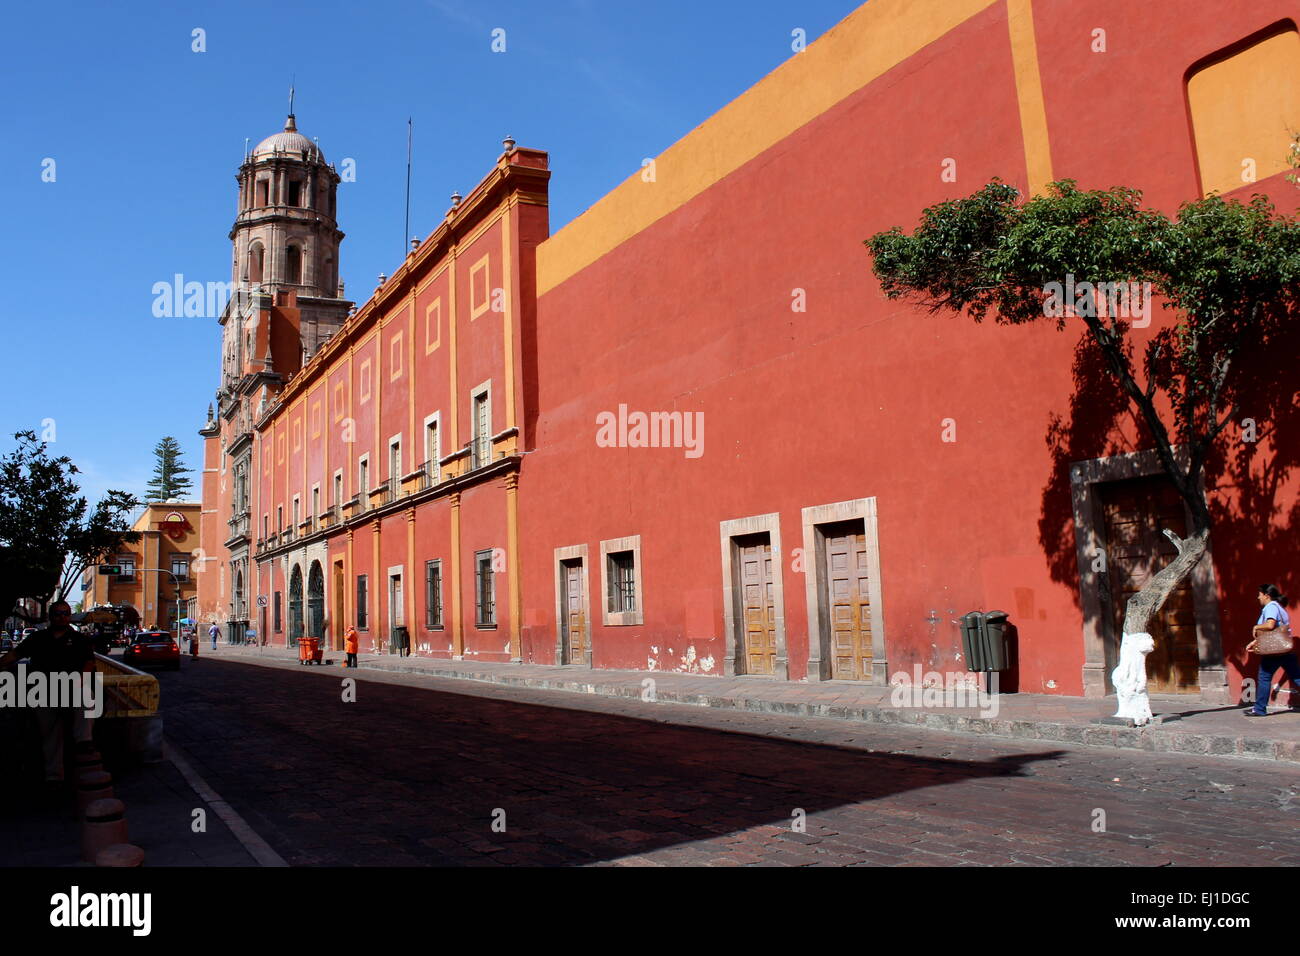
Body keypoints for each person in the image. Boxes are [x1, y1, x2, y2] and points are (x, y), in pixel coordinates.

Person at [0, 600, 96, 783]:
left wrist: (78, 683)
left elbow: (89, 663)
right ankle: (54, 777)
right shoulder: (37, 638)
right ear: (51, 616)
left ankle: (84, 741)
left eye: (66, 613)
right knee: (51, 736)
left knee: (87, 698)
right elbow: (15, 655)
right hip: (43, 691)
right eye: (58, 613)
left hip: (71, 688)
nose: (62, 617)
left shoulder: (79, 639)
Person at [1245, 583, 1299, 717]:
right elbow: (1274, 632)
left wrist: (1256, 627)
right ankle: (1259, 708)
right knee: (1297, 676)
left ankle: (1259, 709)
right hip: (1284, 648)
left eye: (1259, 594)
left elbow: (1270, 626)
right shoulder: (1279, 607)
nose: (1258, 597)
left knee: (1264, 677)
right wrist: (1254, 642)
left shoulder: (1271, 607)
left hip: (1274, 652)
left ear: (1266, 595)